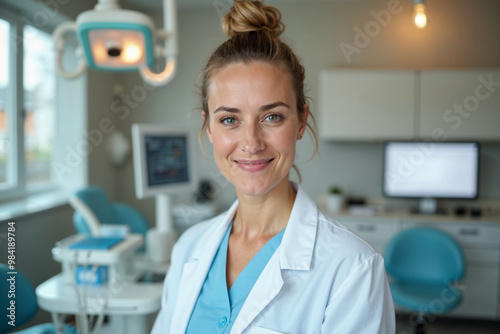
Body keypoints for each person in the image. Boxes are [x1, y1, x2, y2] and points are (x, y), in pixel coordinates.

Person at [151, 1, 395, 333]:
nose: (251, 142)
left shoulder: (352, 267)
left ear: (301, 121)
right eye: (230, 119)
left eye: (272, 117)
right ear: (209, 127)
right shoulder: (189, 249)